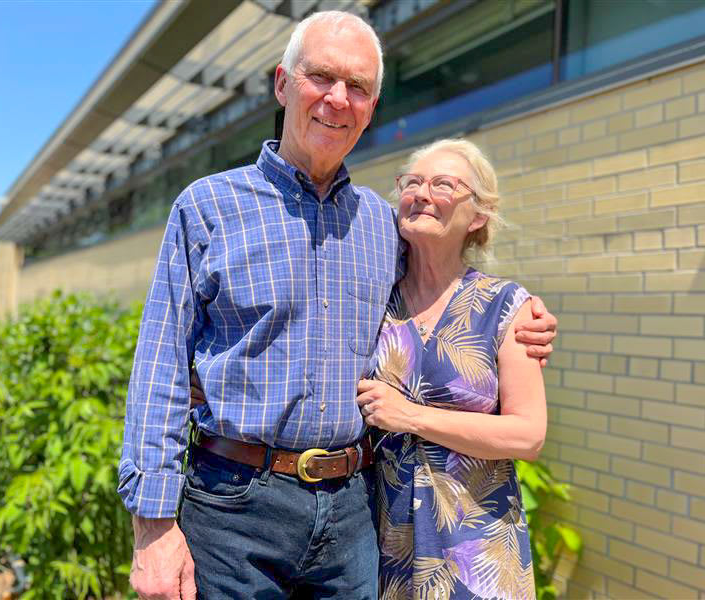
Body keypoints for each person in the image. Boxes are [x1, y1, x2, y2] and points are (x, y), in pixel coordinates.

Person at [118, 11, 556, 600]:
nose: (337, 98)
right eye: (320, 77)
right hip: (232, 507)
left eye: (358, 87)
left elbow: (447, 290)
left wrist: (527, 322)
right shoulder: (208, 208)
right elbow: (160, 366)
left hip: (354, 514)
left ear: (372, 107)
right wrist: (152, 528)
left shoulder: (383, 225)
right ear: (281, 84)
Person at [356, 139, 546, 599]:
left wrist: (410, 416)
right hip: (385, 543)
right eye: (412, 182)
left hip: (477, 549)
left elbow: (528, 435)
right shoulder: (371, 301)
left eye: (443, 184)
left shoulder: (506, 307)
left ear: (477, 216)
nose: (422, 193)